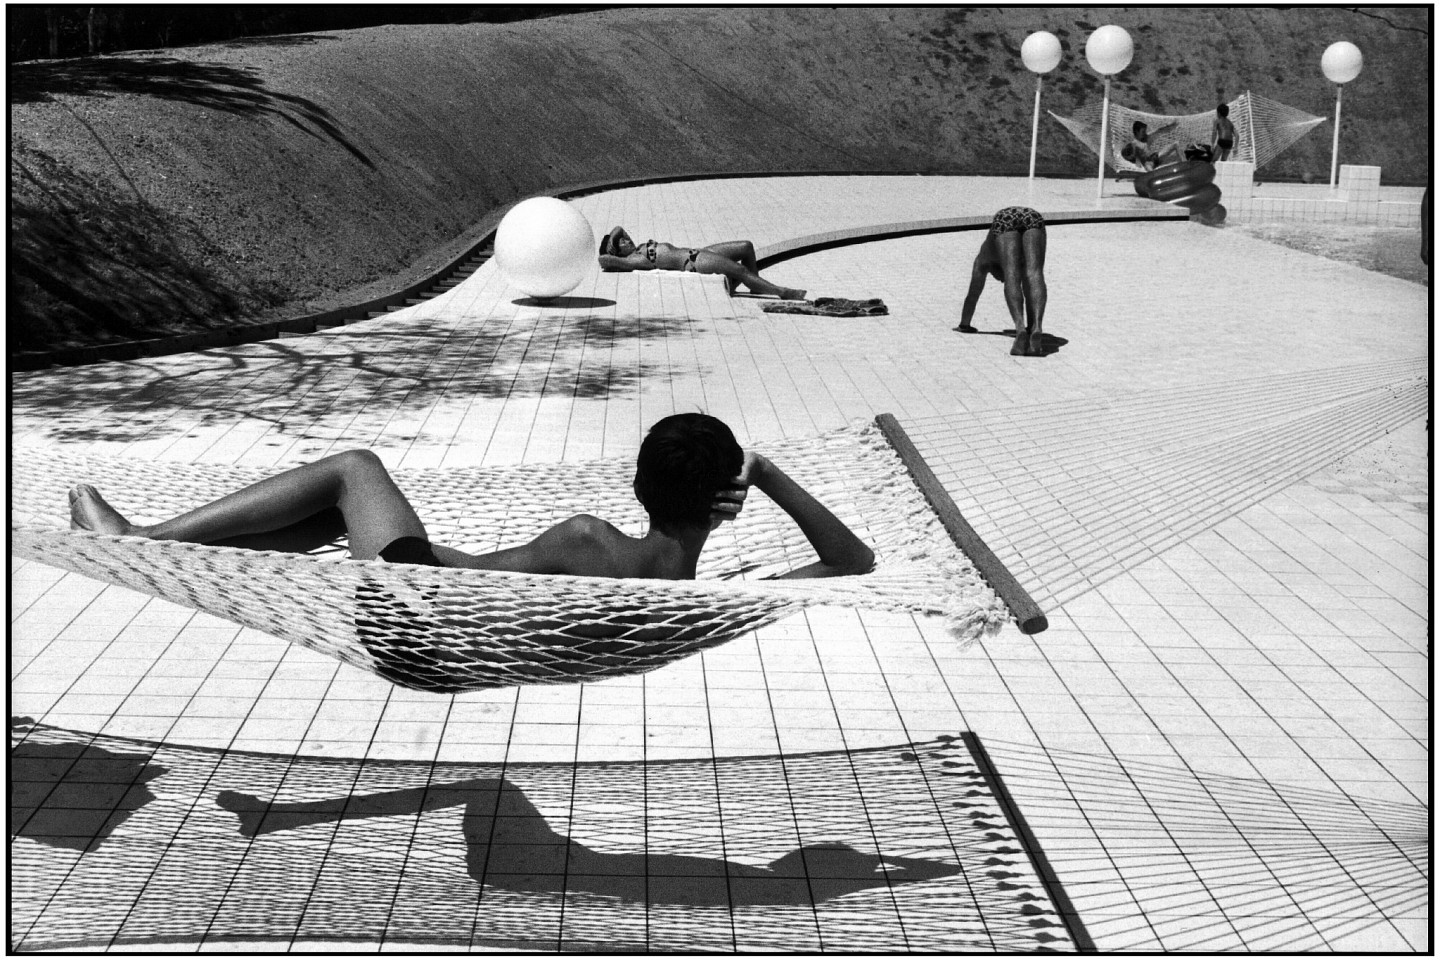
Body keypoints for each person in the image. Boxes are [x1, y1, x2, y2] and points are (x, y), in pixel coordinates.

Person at [67, 413, 874, 582]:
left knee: (353, 468)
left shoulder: (593, 540)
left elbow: (468, 582)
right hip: (443, 621)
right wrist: (763, 475)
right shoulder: (696, 598)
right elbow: (852, 560)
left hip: (421, 613)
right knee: (321, 522)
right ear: (722, 503)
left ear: (640, 486)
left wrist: (390, 553)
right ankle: (164, 557)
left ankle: (140, 542)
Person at [598, 226, 806, 300]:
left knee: (746, 246)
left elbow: (618, 228)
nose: (627, 239)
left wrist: (614, 237)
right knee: (740, 269)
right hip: (693, 261)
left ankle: (756, 284)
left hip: (698, 251)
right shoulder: (633, 260)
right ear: (618, 251)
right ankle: (782, 291)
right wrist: (612, 250)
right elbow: (603, 260)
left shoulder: (637, 249)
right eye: (622, 242)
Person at [954, 207, 1048, 357]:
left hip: (1005, 219)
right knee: (1035, 273)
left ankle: (1020, 329)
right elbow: (1030, 286)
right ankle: (1036, 327)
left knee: (1011, 275)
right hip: (1033, 217)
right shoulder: (1020, 260)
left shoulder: (982, 261)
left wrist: (964, 325)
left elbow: (972, 296)